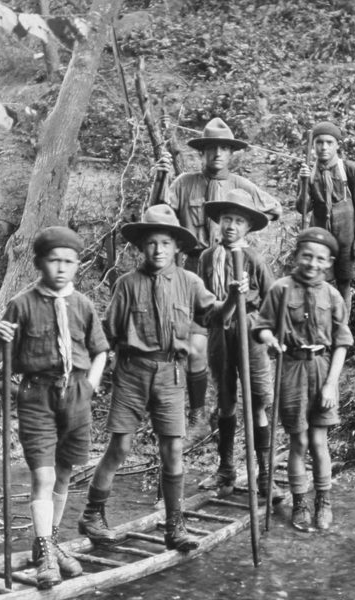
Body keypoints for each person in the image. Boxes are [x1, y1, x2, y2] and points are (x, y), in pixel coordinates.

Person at [77, 204, 248, 552]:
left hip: (171, 373)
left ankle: (174, 526)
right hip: (131, 372)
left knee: (172, 450)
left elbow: (216, 316)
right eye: (152, 243)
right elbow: (106, 335)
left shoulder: (190, 282)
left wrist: (233, 296)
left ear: (177, 248)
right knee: (120, 445)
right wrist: (87, 375)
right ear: (142, 247)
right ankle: (92, 515)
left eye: (166, 243)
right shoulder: (127, 285)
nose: (159, 250)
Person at [0, 226, 109, 589]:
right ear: (40, 263)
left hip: (76, 395)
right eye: (54, 260)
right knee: (43, 476)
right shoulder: (22, 304)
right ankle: (45, 551)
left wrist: (91, 385)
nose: (61, 268)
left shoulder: (83, 305)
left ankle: (50, 546)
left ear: (77, 265)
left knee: (65, 473)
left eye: (69, 262)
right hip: (36, 395)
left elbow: (101, 349)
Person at [153, 118, 283, 445]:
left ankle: (227, 419)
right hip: (198, 268)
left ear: (231, 152)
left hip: (235, 269)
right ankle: (198, 417)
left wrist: (246, 223)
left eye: (224, 148)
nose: (218, 154)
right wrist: (160, 179)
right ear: (203, 152)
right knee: (198, 347)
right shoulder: (184, 183)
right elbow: (158, 214)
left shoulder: (241, 184)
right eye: (212, 148)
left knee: (235, 353)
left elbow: (274, 207)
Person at [252, 227, 352, 532]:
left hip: (322, 368)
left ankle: (323, 499)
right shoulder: (281, 289)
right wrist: (271, 339)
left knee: (320, 441)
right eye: (305, 255)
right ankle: (300, 502)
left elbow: (342, 342)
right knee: (299, 440)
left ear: (329, 262)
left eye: (319, 258)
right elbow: (263, 325)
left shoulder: (333, 295)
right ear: (296, 256)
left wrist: (331, 383)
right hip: (292, 368)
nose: (311, 263)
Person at [195, 189, 279, 501]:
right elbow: (200, 300)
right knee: (226, 399)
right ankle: (226, 467)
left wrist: (264, 328)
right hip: (219, 331)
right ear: (218, 223)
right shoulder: (206, 258)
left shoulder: (254, 259)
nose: (231, 226)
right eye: (226, 219)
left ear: (248, 227)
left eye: (238, 221)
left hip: (250, 331)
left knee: (257, 402)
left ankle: (266, 474)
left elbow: (273, 298)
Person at [296, 121, 355, 317]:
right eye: (319, 142)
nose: (323, 147)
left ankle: (341, 325)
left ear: (337, 145)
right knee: (319, 280)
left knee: (344, 282)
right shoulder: (309, 171)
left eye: (329, 142)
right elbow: (302, 208)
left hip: (347, 235)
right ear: (313, 145)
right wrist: (303, 183)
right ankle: (320, 321)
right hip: (320, 236)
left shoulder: (348, 169)